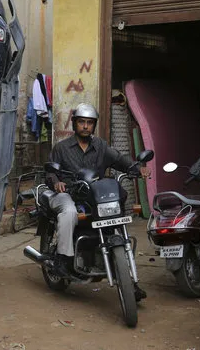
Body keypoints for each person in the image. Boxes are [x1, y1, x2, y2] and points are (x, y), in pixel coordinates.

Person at [46, 103, 151, 299]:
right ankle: (63, 260)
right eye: (81, 122)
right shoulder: (61, 148)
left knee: (116, 220)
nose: (85, 126)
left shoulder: (101, 146)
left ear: (93, 125)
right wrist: (57, 182)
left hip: (94, 196)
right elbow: (50, 172)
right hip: (69, 194)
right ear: (75, 124)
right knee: (68, 213)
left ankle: (129, 281)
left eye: (89, 123)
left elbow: (120, 159)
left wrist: (139, 168)